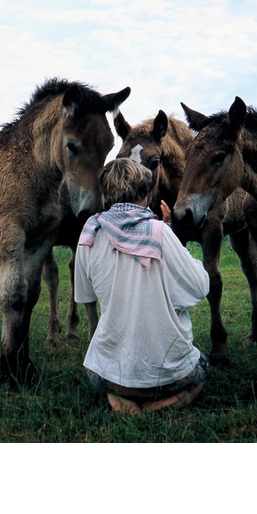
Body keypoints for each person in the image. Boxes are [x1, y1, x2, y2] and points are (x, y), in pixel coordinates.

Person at [75, 157, 210, 416]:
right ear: (146, 194)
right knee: (200, 371)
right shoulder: (159, 233)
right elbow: (199, 286)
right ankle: (159, 405)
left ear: (104, 195)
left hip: (111, 374)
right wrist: (171, 232)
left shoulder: (90, 233)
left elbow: (86, 294)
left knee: (103, 373)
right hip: (170, 376)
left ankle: (118, 399)